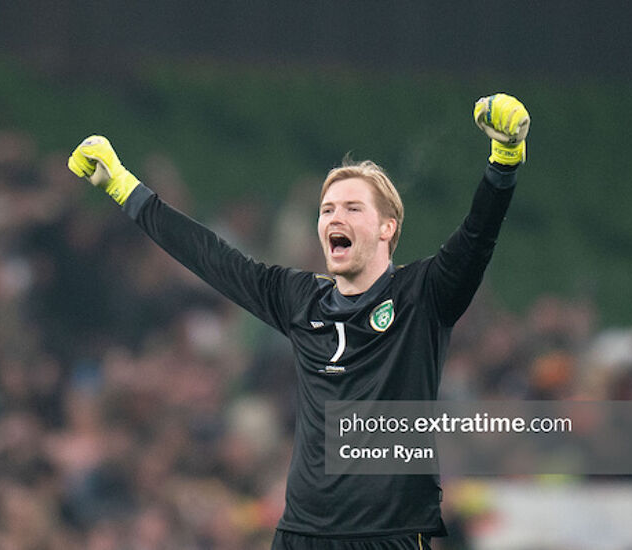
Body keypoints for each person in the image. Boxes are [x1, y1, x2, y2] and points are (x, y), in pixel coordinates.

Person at [67, 93, 530, 550]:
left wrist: (503, 161)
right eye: (327, 209)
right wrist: (124, 188)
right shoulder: (300, 298)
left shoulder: (422, 294)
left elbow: (476, 238)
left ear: (387, 228)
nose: (334, 217)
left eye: (352, 208)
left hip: (384, 537)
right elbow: (211, 257)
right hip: (301, 536)